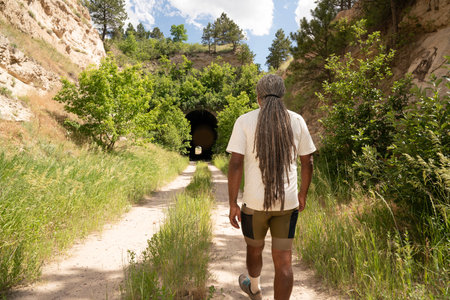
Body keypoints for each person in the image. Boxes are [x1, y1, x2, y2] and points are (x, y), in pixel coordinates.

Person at [226, 74, 316, 300]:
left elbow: (236, 164)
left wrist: (232, 203)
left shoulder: (244, 121)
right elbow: (308, 162)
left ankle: (254, 289)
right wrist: (302, 194)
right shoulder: (296, 121)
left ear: (258, 97)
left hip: (254, 205)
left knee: (254, 249)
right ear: (283, 95)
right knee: (284, 262)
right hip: (287, 204)